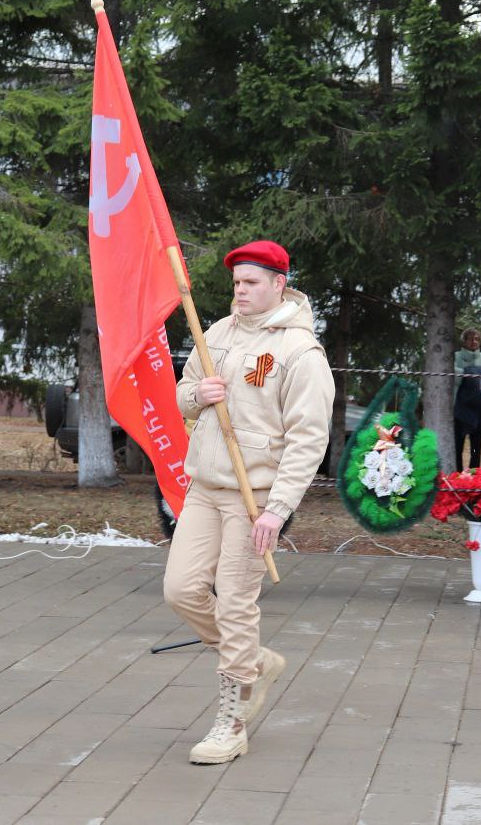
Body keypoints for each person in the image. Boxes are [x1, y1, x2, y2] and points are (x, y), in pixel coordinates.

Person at [166, 240, 334, 764]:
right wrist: (199, 397)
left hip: (253, 497)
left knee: (237, 604)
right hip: (205, 487)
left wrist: (278, 510)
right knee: (181, 590)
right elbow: (183, 389)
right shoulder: (216, 332)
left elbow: (309, 439)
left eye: (251, 282)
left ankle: (232, 721)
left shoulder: (299, 352)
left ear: (279, 284)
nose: (240, 291)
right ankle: (254, 661)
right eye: (236, 282)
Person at [453, 328, 481, 472]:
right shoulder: (456, 356)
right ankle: (457, 476)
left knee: (476, 447)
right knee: (458, 445)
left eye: (477, 338)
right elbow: (452, 372)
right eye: (470, 338)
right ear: (463, 340)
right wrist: (467, 373)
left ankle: (474, 476)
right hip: (461, 407)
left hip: (479, 408)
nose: (474, 341)